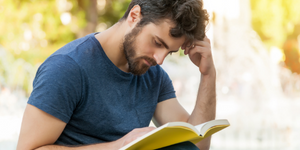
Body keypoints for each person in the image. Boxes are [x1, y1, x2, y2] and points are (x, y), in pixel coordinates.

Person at [17, 0, 215, 150]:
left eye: (169, 51)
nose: (160, 59)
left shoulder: (152, 74)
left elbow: (197, 143)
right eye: (157, 42)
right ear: (134, 16)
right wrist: (118, 146)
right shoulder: (67, 68)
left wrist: (208, 75)